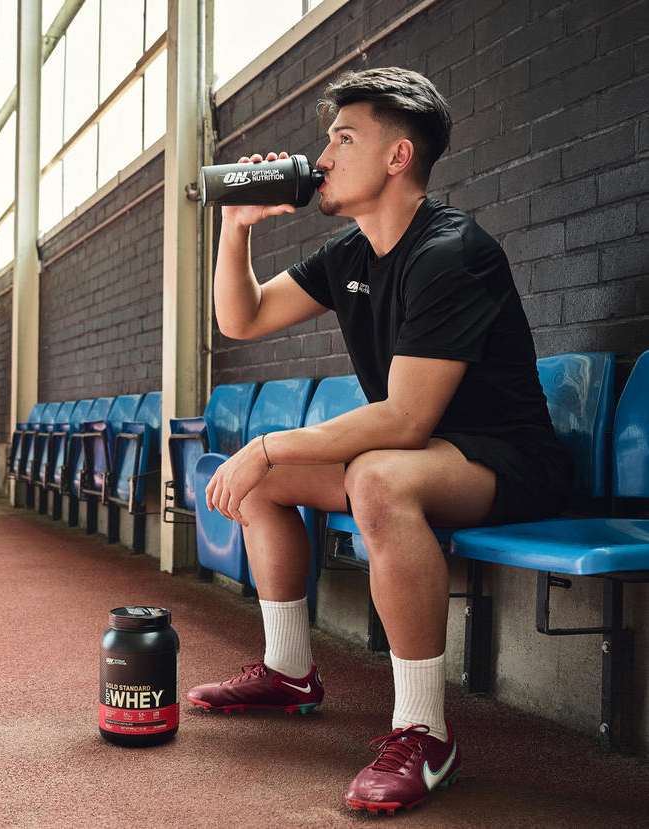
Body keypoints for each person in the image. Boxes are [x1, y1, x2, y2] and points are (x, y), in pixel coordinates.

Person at [186, 67, 573, 814]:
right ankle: (288, 671)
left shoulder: (451, 251)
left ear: (398, 156)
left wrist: (269, 444)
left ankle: (424, 732)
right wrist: (235, 227)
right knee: (276, 481)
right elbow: (242, 318)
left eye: (342, 139)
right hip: (415, 456)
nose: (321, 157)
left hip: (505, 461)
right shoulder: (349, 254)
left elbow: (404, 420)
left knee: (372, 476)